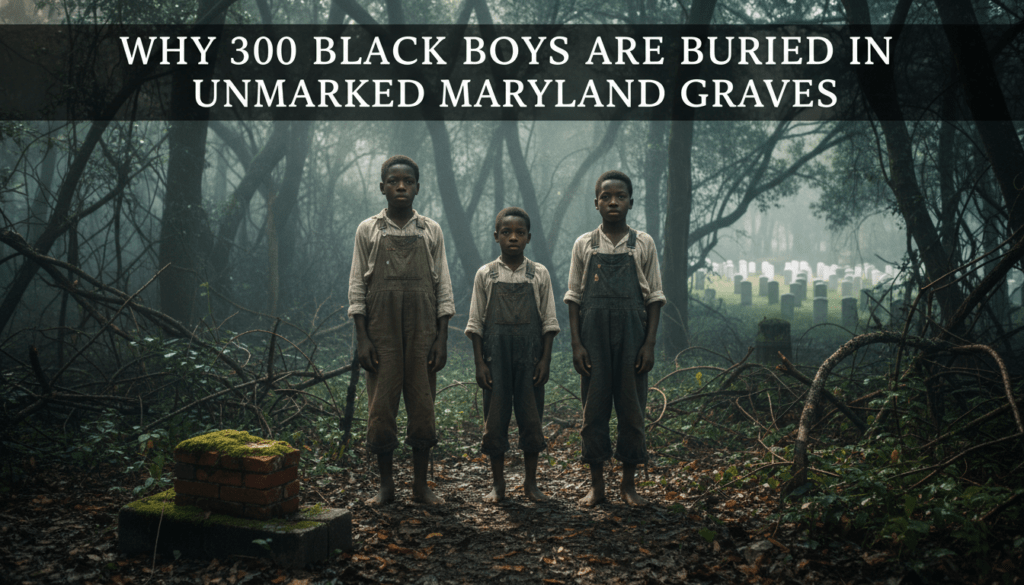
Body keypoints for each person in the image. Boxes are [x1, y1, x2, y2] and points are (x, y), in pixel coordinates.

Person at [348, 155, 453, 505]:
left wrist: (441, 337)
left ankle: (421, 486)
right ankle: (386, 486)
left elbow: (444, 288)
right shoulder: (368, 230)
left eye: (408, 181)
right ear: (383, 188)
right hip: (382, 332)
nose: (401, 186)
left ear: (418, 187)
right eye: (393, 181)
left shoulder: (431, 230)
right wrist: (362, 338)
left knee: (422, 407)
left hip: (423, 330)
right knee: (381, 409)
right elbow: (357, 288)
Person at [564, 170, 665, 507]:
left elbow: (654, 298)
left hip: (633, 338)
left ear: (631, 202)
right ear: (596, 203)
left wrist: (649, 344)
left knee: (632, 410)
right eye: (606, 197)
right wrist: (577, 344)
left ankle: (628, 485)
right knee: (594, 411)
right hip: (593, 337)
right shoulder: (584, 244)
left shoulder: (644, 243)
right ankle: (597, 486)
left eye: (620, 196)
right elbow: (574, 298)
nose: (613, 202)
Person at [466, 207, 559, 503]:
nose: (513, 237)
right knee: (495, 420)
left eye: (520, 232)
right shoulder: (486, 274)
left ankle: (531, 483)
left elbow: (549, 323)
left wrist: (545, 360)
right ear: (496, 236)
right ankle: (498, 484)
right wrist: (480, 363)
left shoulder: (539, 274)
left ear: (529, 237)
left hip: (530, 359)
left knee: (531, 419)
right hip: (496, 360)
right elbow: (475, 324)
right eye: (506, 232)